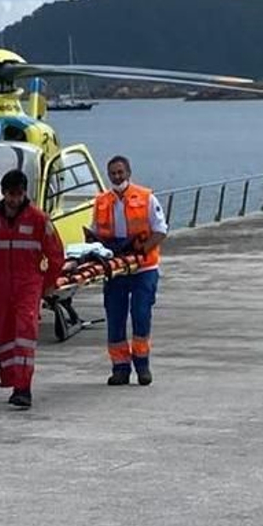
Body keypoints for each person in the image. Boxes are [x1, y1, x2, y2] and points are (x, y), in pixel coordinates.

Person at [0, 169, 64, 409]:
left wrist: (48, 284)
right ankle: (10, 379)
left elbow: (56, 254)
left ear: (25, 193)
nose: (15, 199)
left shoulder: (38, 219)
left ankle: (23, 388)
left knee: (25, 334)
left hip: (28, 284)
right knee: (4, 333)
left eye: (19, 194)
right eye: (11, 194)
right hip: (1, 285)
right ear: (3, 193)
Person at [91, 155, 167, 386]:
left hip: (144, 268)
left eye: (120, 172)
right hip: (116, 268)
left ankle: (142, 366)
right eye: (113, 173)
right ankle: (120, 368)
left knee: (141, 315)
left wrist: (142, 251)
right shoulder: (101, 202)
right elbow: (95, 233)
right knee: (115, 318)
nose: (117, 177)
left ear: (128, 173)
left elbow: (160, 230)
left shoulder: (146, 198)